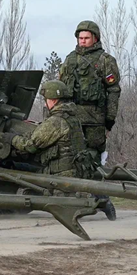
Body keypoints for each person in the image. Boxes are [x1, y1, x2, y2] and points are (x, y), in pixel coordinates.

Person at [8, 80, 116, 220]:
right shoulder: (72, 116)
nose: (45, 102)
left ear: (53, 100)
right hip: (76, 168)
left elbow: (30, 145)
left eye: (46, 99)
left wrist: (11, 139)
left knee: (19, 171)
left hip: (60, 172)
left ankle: (92, 198)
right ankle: (99, 197)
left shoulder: (56, 121)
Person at [58, 20, 121, 167]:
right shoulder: (69, 60)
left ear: (95, 38)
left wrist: (110, 119)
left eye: (86, 38)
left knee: (93, 158)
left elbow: (113, 90)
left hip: (95, 120)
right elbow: (60, 87)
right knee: (69, 157)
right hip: (71, 117)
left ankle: (95, 189)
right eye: (81, 38)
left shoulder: (105, 60)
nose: (83, 41)